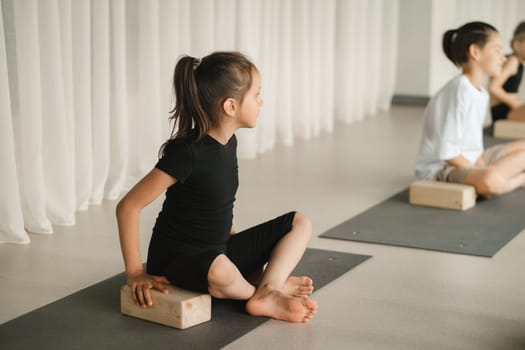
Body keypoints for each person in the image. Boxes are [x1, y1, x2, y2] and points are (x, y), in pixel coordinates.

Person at [116, 51, 317, 323]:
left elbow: (216, 204)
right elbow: (128, 207)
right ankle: (264, 292)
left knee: (299, 223)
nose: (261, 101)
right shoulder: (187, 154)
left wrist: (239, 245)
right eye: (256, 94)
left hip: (218, 247)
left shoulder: (229, 143)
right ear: (231, 107)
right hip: (179, 260)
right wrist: (135, 273)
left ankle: (268, 288)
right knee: (221, 271)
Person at [415, 22, 525, 197]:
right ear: (475, 52)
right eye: (497, 50)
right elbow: (448, 154)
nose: (503, 58)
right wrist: (482, 170)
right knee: (491, 179)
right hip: (442, 168)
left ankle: (499, 176)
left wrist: (481, 164)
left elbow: (472, 145)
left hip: (472, 160)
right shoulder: (459, 91)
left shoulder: (479, 92)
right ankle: (518, 180)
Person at [489, 22, 525, 122]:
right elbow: (493, 87)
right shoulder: (513, 61)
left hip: (508, 110)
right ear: (517, 45)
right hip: (504, 111)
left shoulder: (517, 63)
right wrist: (513, 101)